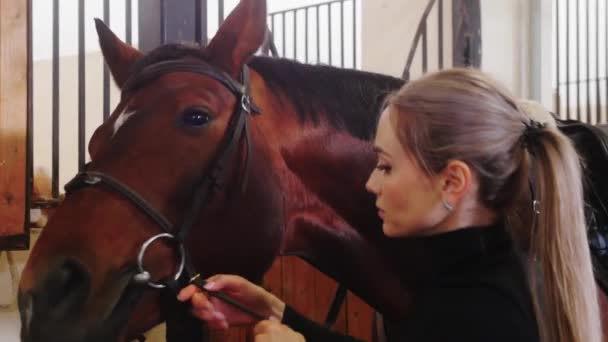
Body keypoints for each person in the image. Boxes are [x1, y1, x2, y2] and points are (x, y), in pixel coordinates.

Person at [177, 68, 602, 342]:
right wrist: (278, 312)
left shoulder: (482, 315)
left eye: (386, 167)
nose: (370, 183)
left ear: (452, 182)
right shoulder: (470, 282)